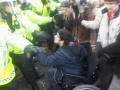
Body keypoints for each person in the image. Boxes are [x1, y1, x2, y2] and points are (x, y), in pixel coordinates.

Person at [0, 24, 40, 90]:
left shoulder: (1, 30)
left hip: (7, 77)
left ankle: (33, 83)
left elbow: (12, 38)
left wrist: (27, 46)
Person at [95, 0, 120, 89]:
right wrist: (99, 44)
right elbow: (100, 31)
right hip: (106, 56)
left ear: (118, 3)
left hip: (116, 57)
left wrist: (103, 50)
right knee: (103, 81)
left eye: (111, 3)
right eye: (106, 3)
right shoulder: (104, 14)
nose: (108, 6)